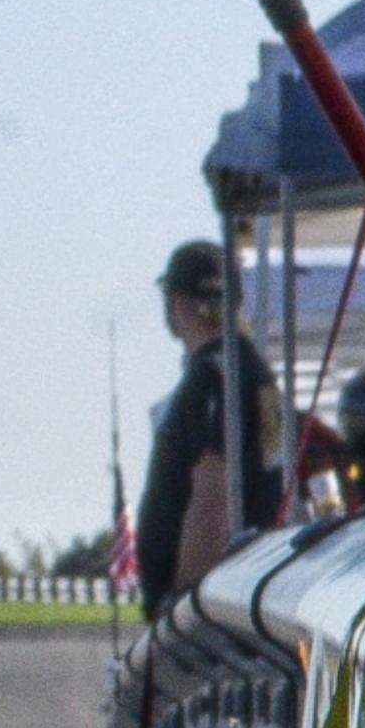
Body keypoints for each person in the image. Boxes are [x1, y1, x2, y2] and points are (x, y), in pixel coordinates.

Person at [129, 238, 240, 608]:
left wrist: (184, 602)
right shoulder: (241, 370)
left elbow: (212, 500)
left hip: (202, 606)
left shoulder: (210, 380)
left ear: (176, 303)